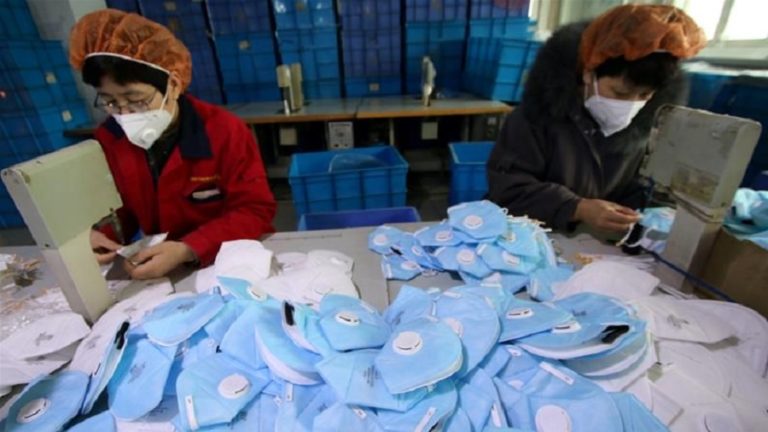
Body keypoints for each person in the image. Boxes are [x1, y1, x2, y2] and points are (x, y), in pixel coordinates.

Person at [69, 10, 277, 279]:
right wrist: (102, 236)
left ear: (174, 85)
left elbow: (255, 210)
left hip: (228, 257)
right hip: (159, 264)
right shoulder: (111, 137)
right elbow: (121, 207)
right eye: (110, 101)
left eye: (136, 100)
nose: (125, 113)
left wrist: (189, 248)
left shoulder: (223, 131)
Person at [487, 5, 706, 233]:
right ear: (588, 73)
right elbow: (508, 190)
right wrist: (576, 208)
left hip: (598, 243)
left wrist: (647, 211)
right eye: (619, 93)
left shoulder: (647, 127)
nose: (630, 105)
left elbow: (643, 188)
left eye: (644, 95)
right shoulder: (534, 118)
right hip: (529, 235)